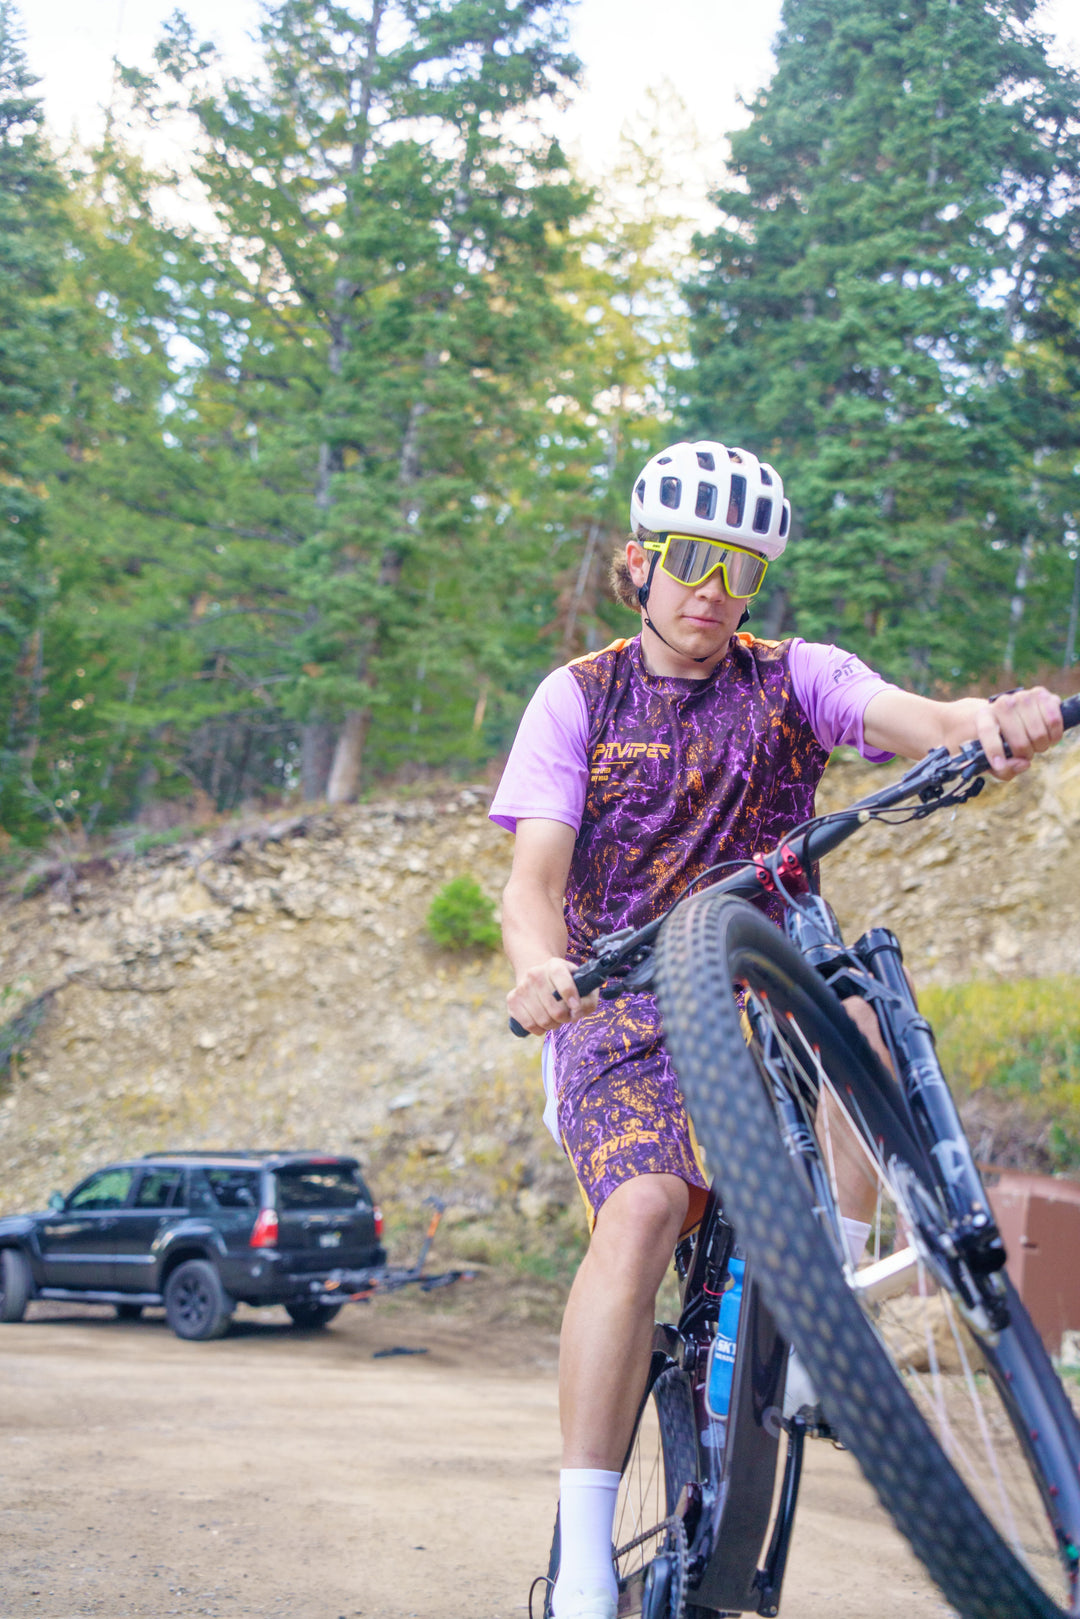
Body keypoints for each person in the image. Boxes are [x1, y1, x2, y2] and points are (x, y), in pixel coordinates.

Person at [488, 438, 1062, 1619]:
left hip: (774, 984)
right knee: (643, 1208)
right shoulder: (577, 697)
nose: (712, 586)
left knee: (854, 996)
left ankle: (828, 1311)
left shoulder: (793, 675)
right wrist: (541, 967)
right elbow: (531, 881)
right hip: (624, 1004)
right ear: (639, 564)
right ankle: (588, 1560)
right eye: (691, 559)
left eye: (740, 568)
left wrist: (989, 724)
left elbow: (914, 715)